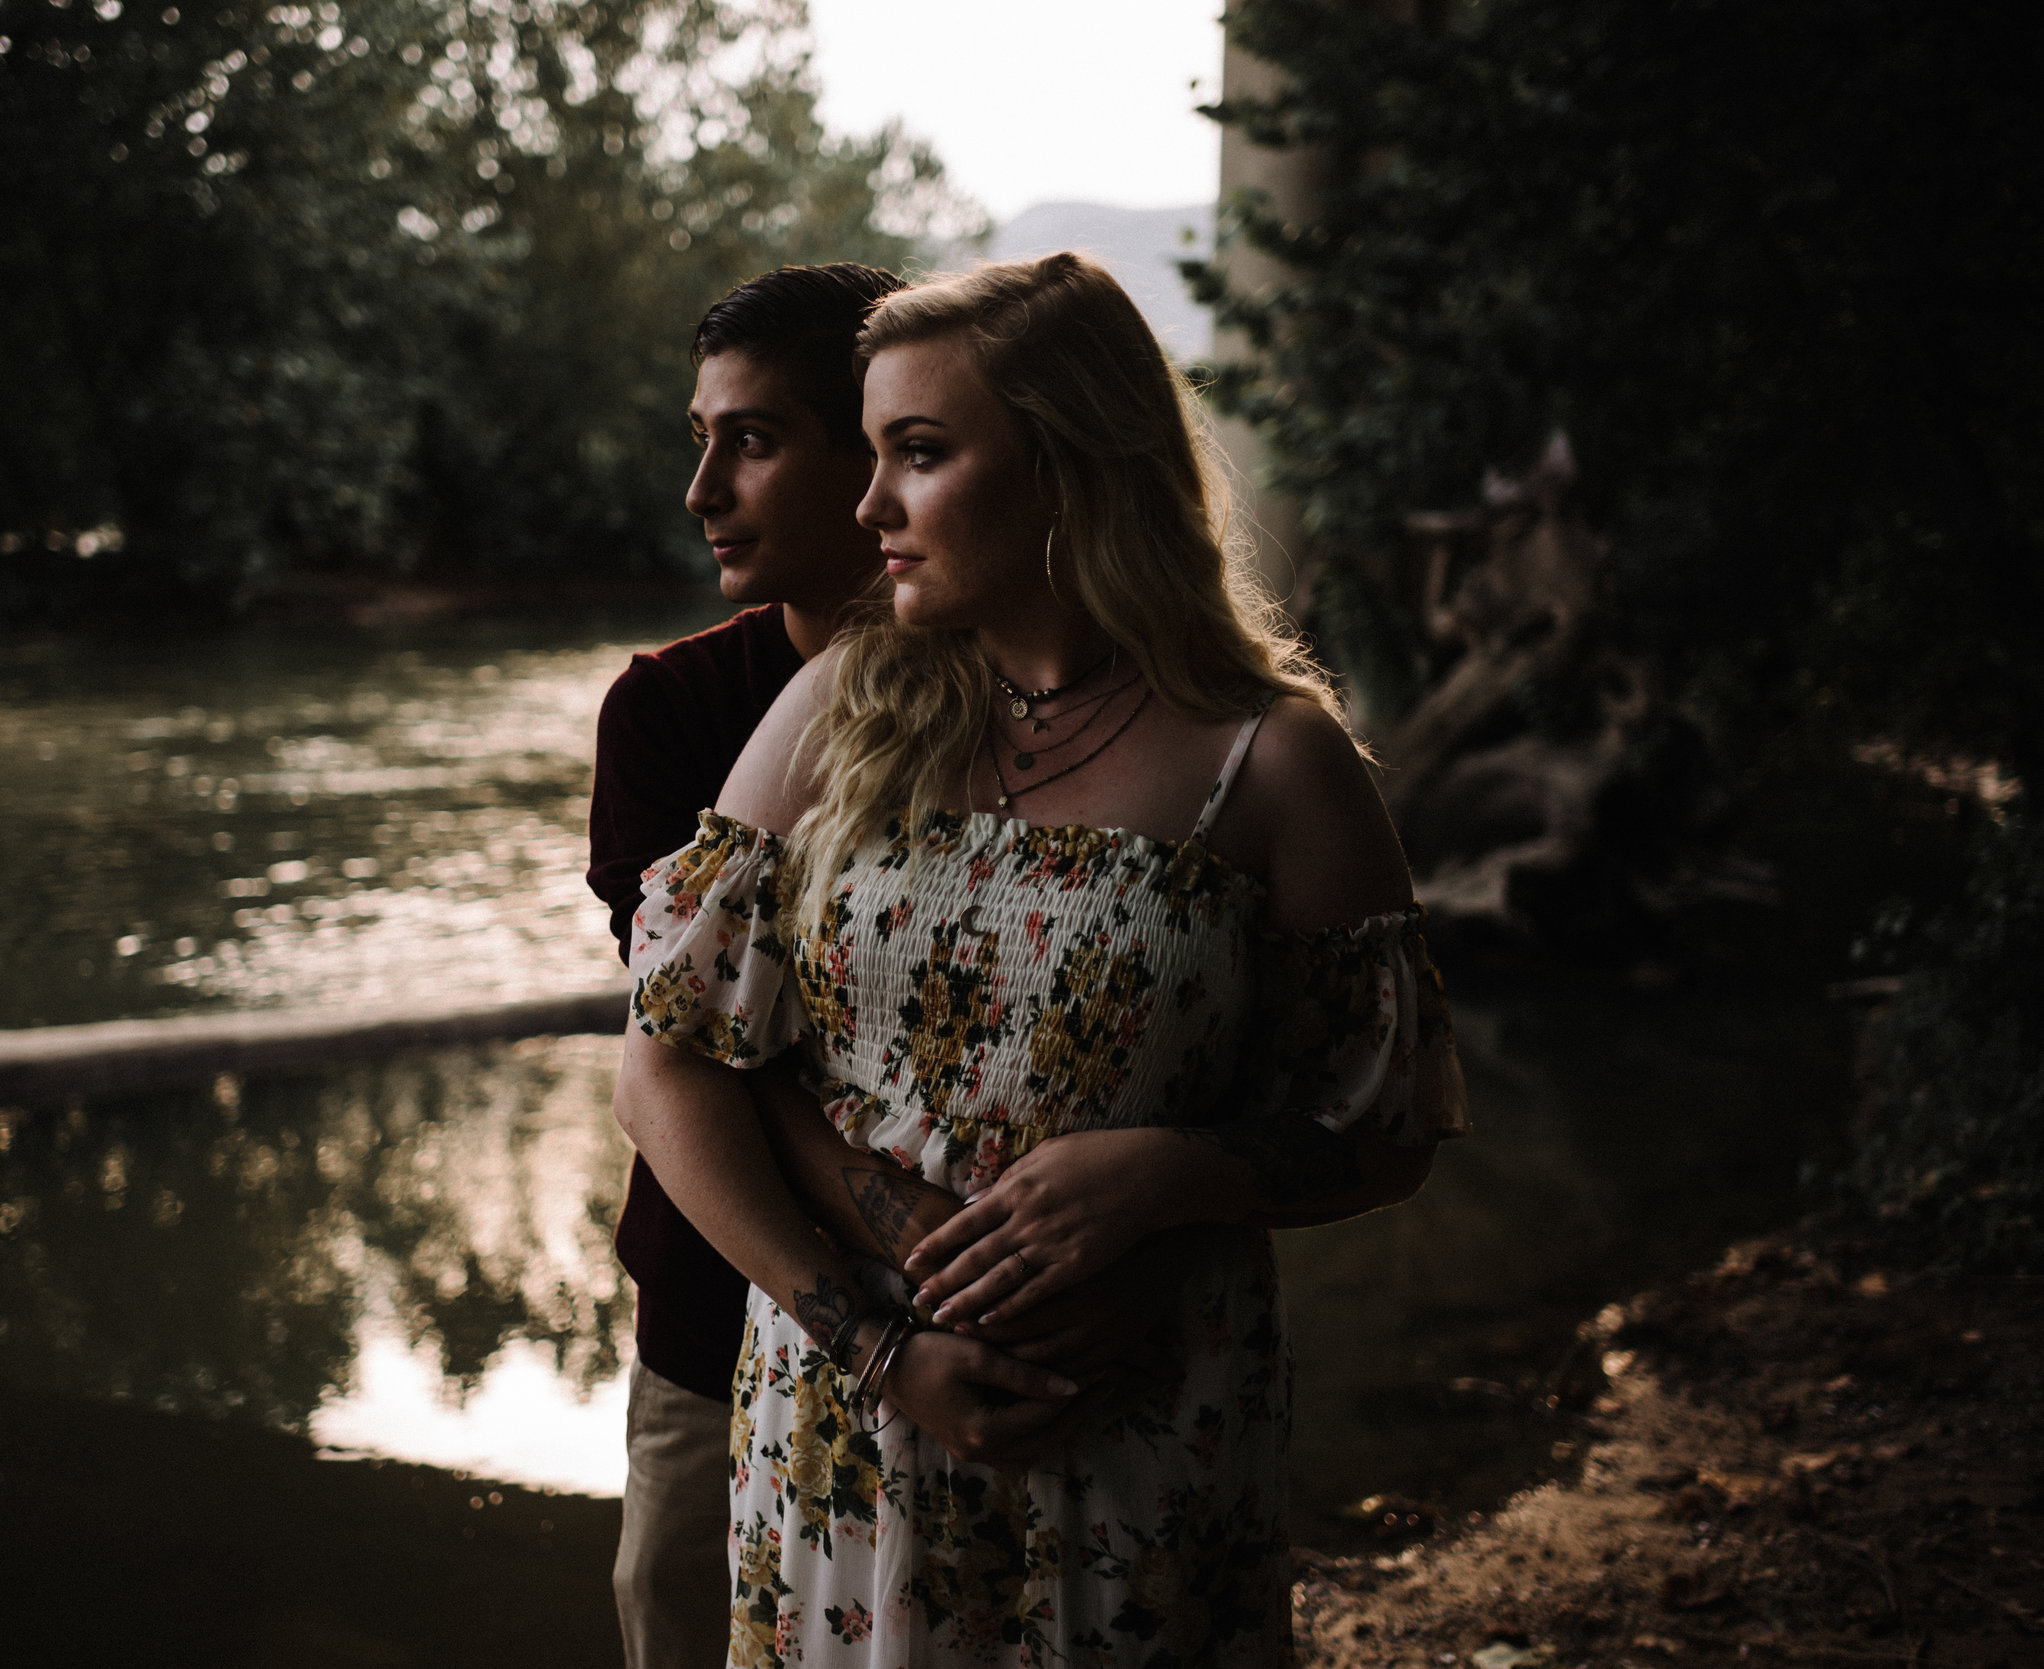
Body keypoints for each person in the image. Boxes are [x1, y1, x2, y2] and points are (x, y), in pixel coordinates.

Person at [615, 253, 1469, 1665]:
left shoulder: (1275, 760)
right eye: (872, 452)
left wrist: (1178, 1174)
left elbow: (1384, 1127)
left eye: (921, 455)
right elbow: (667, 1067)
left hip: (1141, 1423)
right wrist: (878, 1345)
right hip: (849, 1425)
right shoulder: (838, 709)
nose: (869, 504)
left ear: (1073, 466)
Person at [587, 261, 903, 1669]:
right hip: (715, 1318)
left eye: (755, 441)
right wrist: (884, 1223)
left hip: (983, 1313)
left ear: (877, 457)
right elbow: (690, 1051)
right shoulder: (670, 710)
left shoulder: (1031, 709)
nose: (703, 489)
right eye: (698, 440)